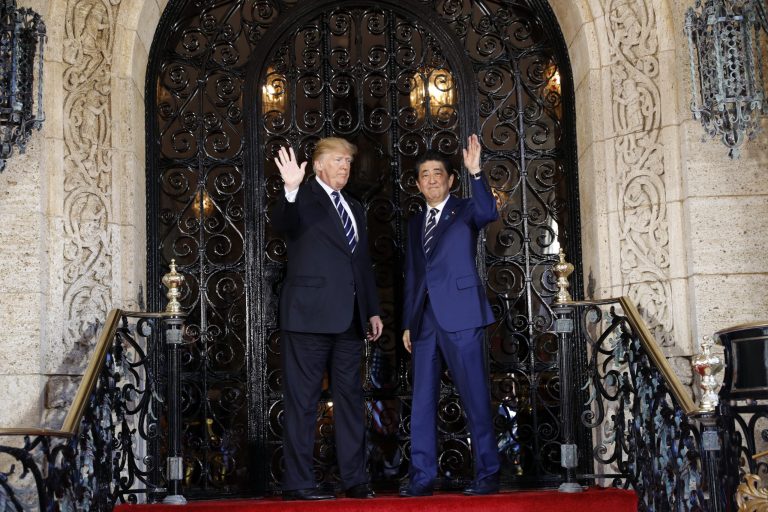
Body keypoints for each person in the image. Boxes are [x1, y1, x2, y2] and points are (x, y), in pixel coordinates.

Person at [271, 137, 383, 501]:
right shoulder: (301, 196)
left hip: (350, 320)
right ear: (318, 166)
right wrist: (289, 187)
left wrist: (372, 309)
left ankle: (355, 479)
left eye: (348, 162)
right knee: (303, 402)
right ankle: (299, 483)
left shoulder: (354, 206)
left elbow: (360, 263)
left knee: (350, 399)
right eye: (338, 160)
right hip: (307, 317)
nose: (345, 167)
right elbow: (283, 223)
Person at [400, 134, 500, 497]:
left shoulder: (465, 209)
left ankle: (488, 473)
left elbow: (489, 212)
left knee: (474, 394)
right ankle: (422, 477)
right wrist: (409, 324)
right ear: (417, 183)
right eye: (424, 175)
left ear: (450, 179)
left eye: (437, 173)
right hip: (425, 322)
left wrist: (476, 173)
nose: (431, 180)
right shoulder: (414, 223)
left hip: (462, 315)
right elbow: (413, 275)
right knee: (422, 400)